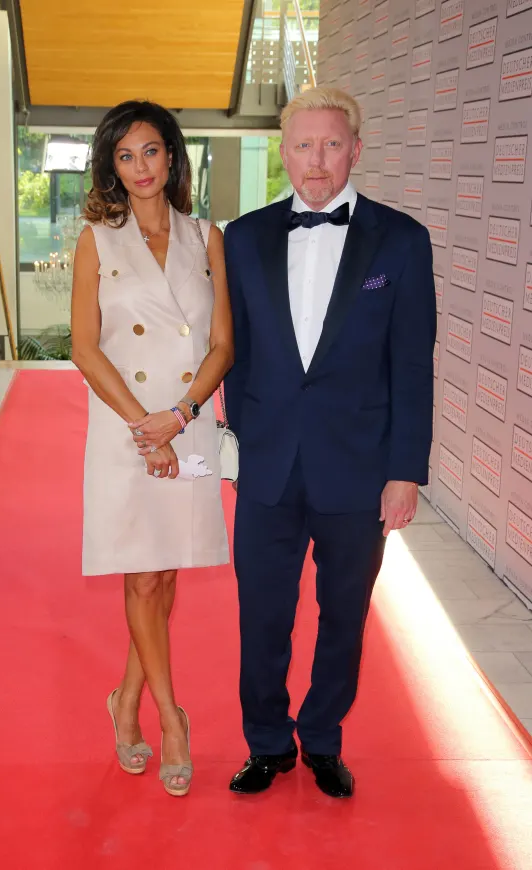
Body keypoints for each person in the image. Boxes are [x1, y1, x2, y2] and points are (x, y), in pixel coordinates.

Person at [224, 87, 436, 798]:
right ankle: (266, 742)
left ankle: (320, 738)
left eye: (332, 145)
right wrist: (244, 442)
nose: (317, 161)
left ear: (356, 150)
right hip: (269, 467)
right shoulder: (243, 238)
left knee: (344, 616)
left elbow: (411, 364)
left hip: (359, 468)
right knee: (262, 616)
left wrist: (404, 471)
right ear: (283, 152)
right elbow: (237, 355)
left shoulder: (400, 240)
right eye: (303, 145)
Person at [71, 100, 233, 797]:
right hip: (124, 428)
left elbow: (221, 345)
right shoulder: (96, 240)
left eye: (151, 151)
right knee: (141, 577)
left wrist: (180, 415)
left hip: (187, 424)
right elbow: (85, 347)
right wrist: (146, 426)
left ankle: (125, 698)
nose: (140, 167)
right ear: (112, 166)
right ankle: (171, 718)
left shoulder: (207, 237)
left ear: (173, 156)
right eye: (125, 155)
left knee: (165, 575)